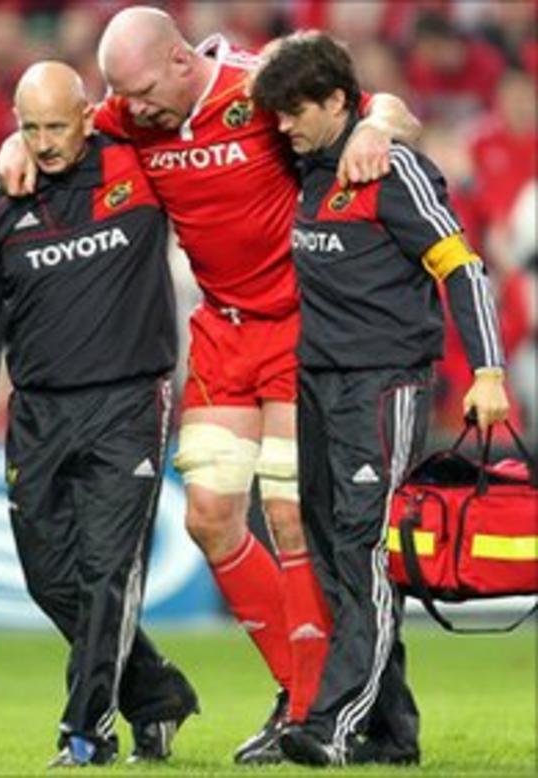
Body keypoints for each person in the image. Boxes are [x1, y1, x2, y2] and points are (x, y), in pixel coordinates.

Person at [0, 6, 422, 763]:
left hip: (298, 325)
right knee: (212, 519)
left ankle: (315, 709)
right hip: (222, 332)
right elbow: (60, 121)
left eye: (142, 93)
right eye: (120, 98)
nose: (132, 110)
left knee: (289, 517)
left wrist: (378, 126)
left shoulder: (259, 88)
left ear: (181, 62)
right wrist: (10, 144)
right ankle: (302, 695)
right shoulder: (129, 114)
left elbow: (377, 103)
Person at [251, 31, 510, 767]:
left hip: (384, 384)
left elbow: (463, 268)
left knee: (365, 549)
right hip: (317, 382)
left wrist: (488, 371)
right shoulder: (308, 166)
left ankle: (328, 725)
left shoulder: (390, 172)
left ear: (337, 101)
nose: (282, 126)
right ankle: (392, 732)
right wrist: (375, 117)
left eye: (296, 111)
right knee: (339, 560)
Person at [0, 61, 198, 769]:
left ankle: (85, 731)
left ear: (90, 114)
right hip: (38, 411)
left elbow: (190, 106)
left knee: (107, 573)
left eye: (58, 125)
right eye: (30, 128)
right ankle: (157, 693)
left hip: (130, 402)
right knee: (48, 576)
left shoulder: (142, 168)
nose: (45, 142)